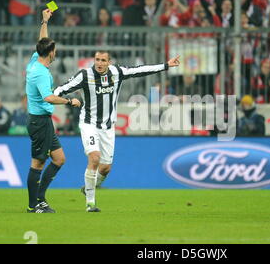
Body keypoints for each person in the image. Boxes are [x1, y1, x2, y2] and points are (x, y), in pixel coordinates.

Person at [54, 51, 180, 212]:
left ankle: (88, 188)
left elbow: (140, 70)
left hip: (108, 127)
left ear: (109, 62)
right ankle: (90, 203)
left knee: (105, 168)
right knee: (94, 158)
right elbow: (62, 88)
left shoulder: (117, 72)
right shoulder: (85, 75)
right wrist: (53, 96)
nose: (99, 63)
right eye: (97, 60)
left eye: (103, 60)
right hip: (89, 123)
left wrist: (166, 65)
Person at [25, 9, 81, 213]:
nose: (55, 52)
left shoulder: (35, 59)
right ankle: (34, 205)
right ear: (51, 53)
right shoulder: (39, 72)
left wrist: (44, 21)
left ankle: (40, 199)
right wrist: (69, 101)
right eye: (54, 49)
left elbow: (43, 40)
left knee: (59, 159)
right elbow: (48, 97)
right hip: (39, 122)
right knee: (38, 163)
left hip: (43, 121)